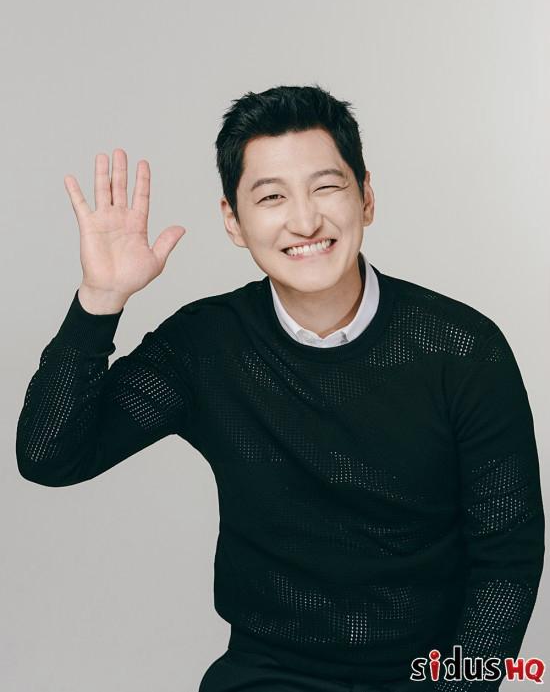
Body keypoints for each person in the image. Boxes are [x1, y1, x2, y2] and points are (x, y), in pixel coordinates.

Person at [16, 85, 544, 691]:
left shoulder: (461, 348)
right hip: (268, 673)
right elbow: (49, 457)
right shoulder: (206, 345)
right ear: (233, 222)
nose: (305, 220)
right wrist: (100, 301)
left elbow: (507, 558)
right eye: (271, 197)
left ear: (367, 197)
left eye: (326, 187)